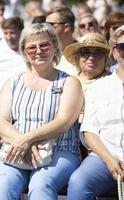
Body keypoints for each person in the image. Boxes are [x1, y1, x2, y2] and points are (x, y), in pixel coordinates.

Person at [0, 23, 83, 200]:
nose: (38, 51)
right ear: (24, 51)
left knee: (40, 185)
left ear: (55, 46)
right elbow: (1, 123)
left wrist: (29, 138)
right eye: (32, 47)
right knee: (4, 186)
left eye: (44, 45)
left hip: (60, 150)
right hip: (15, 149)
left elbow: (63, 122)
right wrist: (23, 143)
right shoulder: (13, 82)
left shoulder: (69, 82)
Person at [67, 26, 124, 200]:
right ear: (114, 52)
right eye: (123, 47)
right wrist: (109, 159)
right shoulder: (99, 86)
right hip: (105, 156)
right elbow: (89, 130)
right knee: (79, 181)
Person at [63, 32, 110, 123]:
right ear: (78, 57)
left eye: (98, 52)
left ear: (106, 59)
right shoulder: (68, 80)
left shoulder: (114, 82)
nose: (91, 57)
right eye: (85, 52)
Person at [0, 16, 26, 90]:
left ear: (21, 32)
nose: (9, 37)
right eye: (6, 33)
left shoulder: (30, 51)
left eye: (12, 33)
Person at [46, 6, 78, 76]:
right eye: (45, 25)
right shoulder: (45, 53)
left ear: (66, 27)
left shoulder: (83, 53)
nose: (46, 28)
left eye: (51, 25)